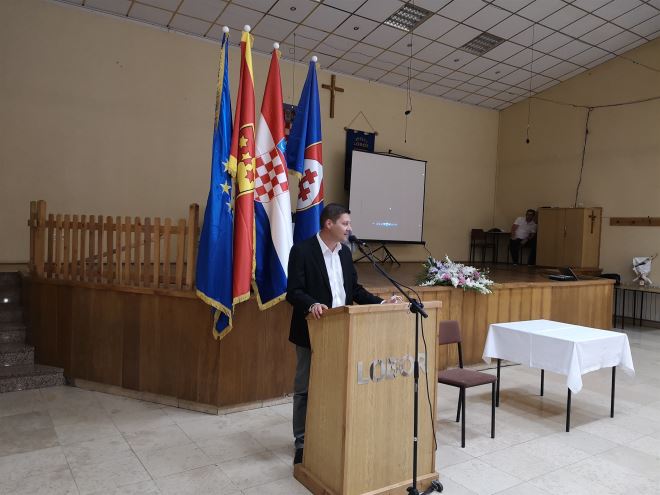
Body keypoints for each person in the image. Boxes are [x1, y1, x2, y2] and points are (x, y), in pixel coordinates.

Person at [286, 203, 400, 465]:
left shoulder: (345, 254)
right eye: (345, 223)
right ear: (329, 224)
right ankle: (302, 442)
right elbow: (293, 291)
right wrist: (312, 304)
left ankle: (328, 434)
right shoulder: (302, 251)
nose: (350, 228)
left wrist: (382, 303)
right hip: (312, 330)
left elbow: (354, 290)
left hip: (343, 331)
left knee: (337, 387)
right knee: (305, 388)